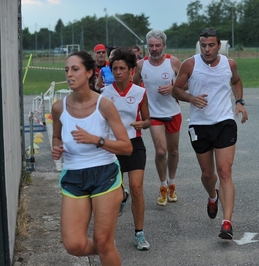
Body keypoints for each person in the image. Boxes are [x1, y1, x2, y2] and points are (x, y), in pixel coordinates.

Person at [51, 50, 132, 265]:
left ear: (89, 73)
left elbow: (126, 147)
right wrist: (56, 148)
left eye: (75, 69)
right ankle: (108, 251)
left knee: (103, 241)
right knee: (74, 245)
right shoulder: (59, 108)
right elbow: (57, 138)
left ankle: (106, 249)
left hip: (104, 172)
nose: (69, 74)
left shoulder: (103, 105)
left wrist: (97, 140)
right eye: (66, 70)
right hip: (74, 176)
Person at [172, 27, 248, 240]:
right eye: (203, 45)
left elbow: (236, 81)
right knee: (208, 174)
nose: (207, 49)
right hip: (200, 125)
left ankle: (227, 222)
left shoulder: (229, 64)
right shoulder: (190, 64)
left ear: (219, 46)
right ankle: (212, 196)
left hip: (224, 122)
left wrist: (240, 102)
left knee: (225, 171)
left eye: (211, 45)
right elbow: (175, 89)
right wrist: (191, 98)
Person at [102, 47, 151, 251]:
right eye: (115, 68)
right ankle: (120, 199)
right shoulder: (105, 93)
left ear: (131, 70)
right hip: (112, 147)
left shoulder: (140, 92)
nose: (118, 72)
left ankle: (139, 233)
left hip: (134, 144)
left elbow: (148, 120)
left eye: (122, 68)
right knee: (115, 194)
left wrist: (143, 124)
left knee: (137, 188)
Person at [133, 30, 183, 207]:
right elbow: (133, 86)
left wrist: (173, 89)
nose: (154, 49)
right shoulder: (141, 65)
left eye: (157, 45)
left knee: (174, 151)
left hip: (173, 112)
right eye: (151, 45)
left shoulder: (173, 62)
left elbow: (186, 84)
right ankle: (162, 186)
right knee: (161, 151)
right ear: (147, 46)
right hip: (153, 115)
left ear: (164, 46)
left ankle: (172, 183)